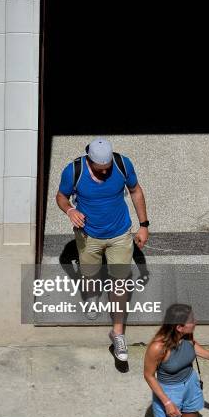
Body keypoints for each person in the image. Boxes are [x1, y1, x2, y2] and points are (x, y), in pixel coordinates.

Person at [56, 138, 149, 361]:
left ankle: (118, 333)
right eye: (101, 169)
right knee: (90, 275)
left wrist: (144, 225)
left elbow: (135, 191)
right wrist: (70, 211)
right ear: (90, 160)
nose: (106, 172)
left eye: (108, 168)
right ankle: (91, 296)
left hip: (119, 233)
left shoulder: (122, 164)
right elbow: (61, 196)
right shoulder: (74, 170)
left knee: (120, 281)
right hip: (89, 236)